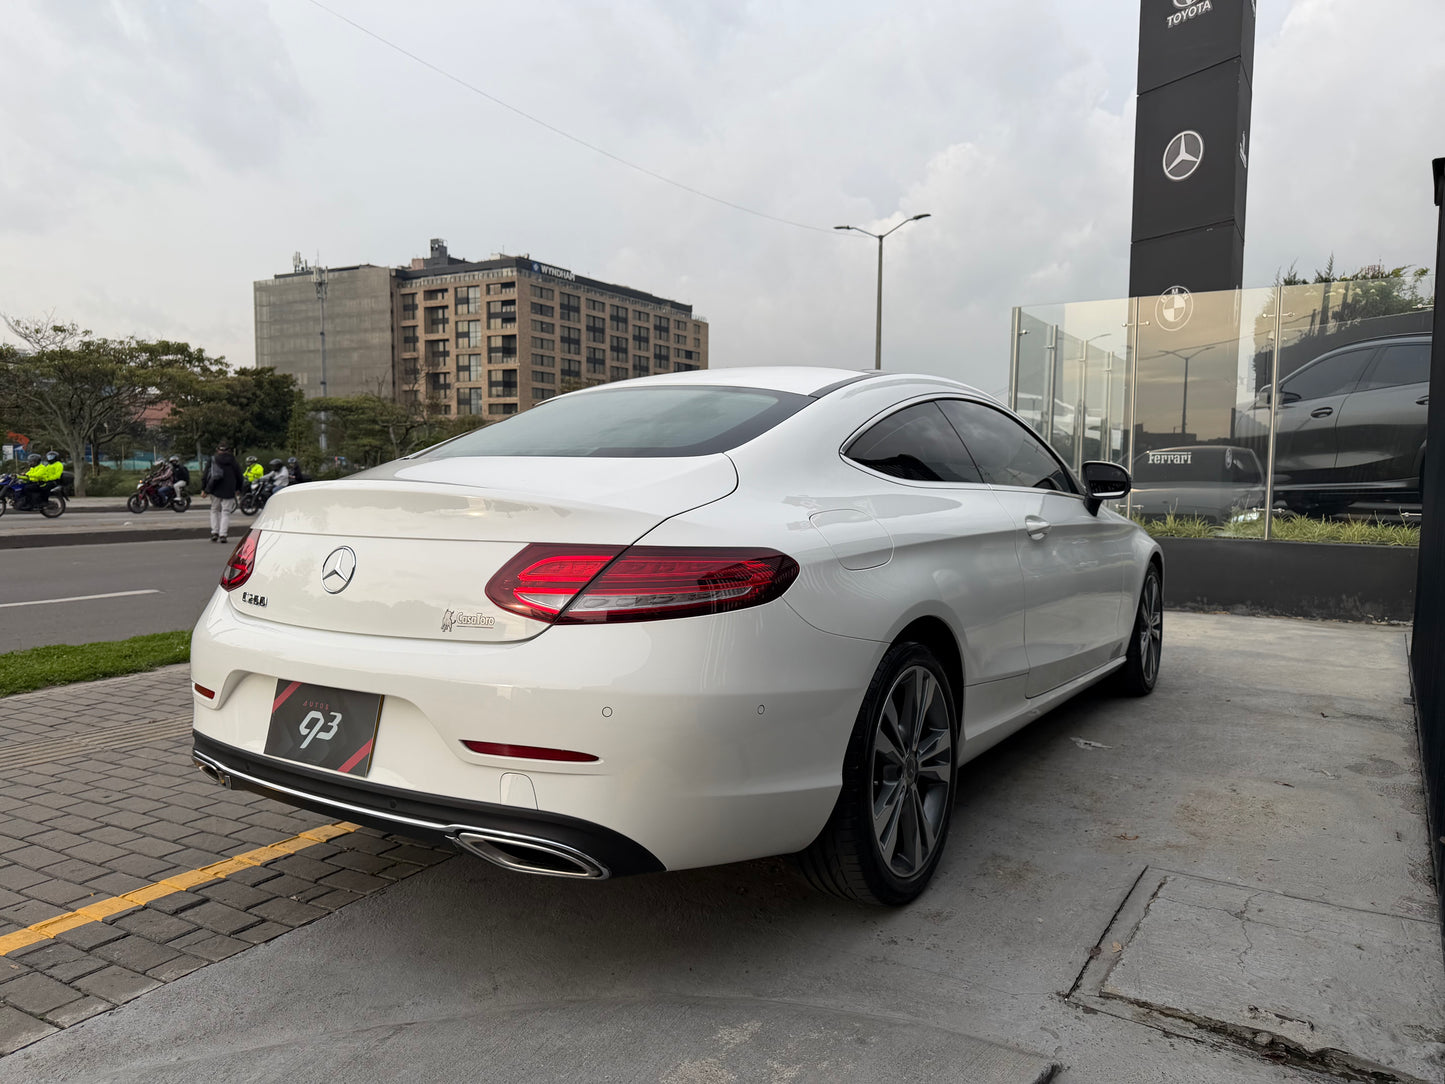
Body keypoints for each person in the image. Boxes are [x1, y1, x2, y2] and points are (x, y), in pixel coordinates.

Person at [202, 442, 245, 543]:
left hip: (215, 488)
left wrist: (204, 489)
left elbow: (205, 475)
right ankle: (223, 535)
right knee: (225, 512)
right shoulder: (233, 460)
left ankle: (214, 532)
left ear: (218, 450)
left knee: (214, 510)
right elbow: (239, 475)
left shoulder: (213, 460)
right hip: (229, 489)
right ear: (228, 450)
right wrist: (238, 489)